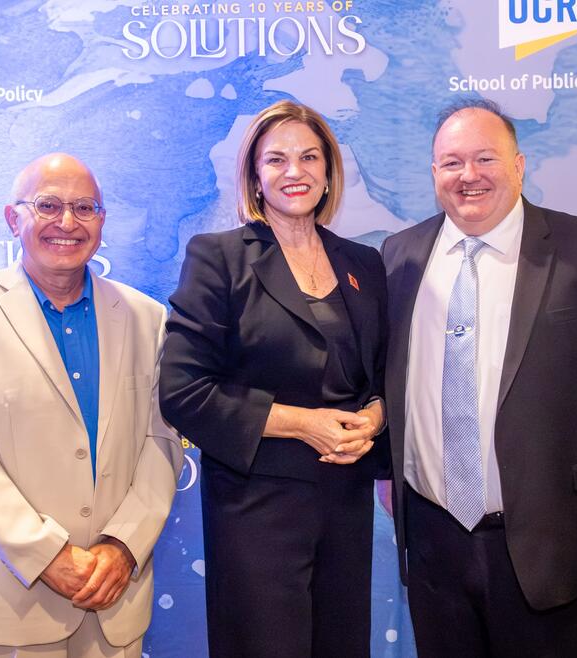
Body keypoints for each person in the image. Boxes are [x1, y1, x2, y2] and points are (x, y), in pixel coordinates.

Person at [381, 99, 577, 657]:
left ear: (519, 164)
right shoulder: (399, 255)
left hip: (556, 539)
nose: (469, 175)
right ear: (434, 173)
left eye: (485, 158)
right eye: (452, 162)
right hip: (435, 542)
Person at [0, 153, 184, 658]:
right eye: (48, 205)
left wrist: (124, 546)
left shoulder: (147, 317)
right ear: (12, 218)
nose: (67, 223)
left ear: (102, 222)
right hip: (11, 599)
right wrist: (47, 555)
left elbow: (163, 441)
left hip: (115, 599)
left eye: (85, 208)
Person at [158, 100, 388, 658]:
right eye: (277, 159)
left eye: (309, 157)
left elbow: (385, 376)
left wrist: (376, 416)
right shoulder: (218, 258)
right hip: (256, 509)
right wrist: (302, 424)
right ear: (255, 177)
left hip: (346, 504)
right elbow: (183, 390)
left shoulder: (364, 262)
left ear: (329, 170)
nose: (295, 171)